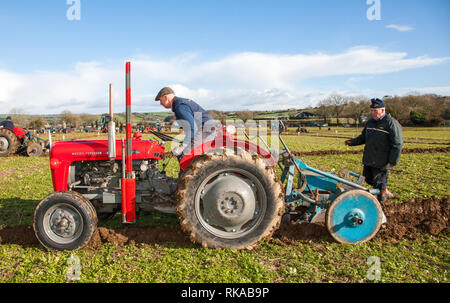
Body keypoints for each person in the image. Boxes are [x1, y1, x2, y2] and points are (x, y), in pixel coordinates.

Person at [345, 98, 403, 202]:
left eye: (375, 111)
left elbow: (397, 143)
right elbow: (363, 137)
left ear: (383, 110)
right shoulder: (370, 123)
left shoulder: (391, 123)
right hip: (369, 158)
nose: (373, 113)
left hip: (381, 160)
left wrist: (392, 162)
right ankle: (383, 191)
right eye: (372, 111)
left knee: (379, 183)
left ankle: (382, 202)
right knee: (368, 178)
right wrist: (352, 142)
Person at [155, 87, 216, 160]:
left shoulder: (180, 107)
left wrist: (182, 147)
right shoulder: (180, 103)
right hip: (205, 129)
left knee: (185, 157)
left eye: (160, 100)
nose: (160, 103)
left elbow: (193, 129)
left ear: (165, 97)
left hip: (205, 130)